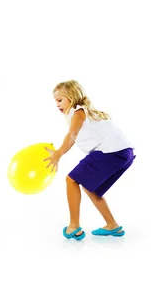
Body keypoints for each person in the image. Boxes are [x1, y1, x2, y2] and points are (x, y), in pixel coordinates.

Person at [45, 80, 135, 240]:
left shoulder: (77, 111)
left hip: (110, 152)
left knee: (71, 180)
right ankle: (112, 225)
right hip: (124, 153)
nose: (57, 105)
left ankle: (73, 226)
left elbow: (72, 135)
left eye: (60, 100)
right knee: (90, 187)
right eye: (55, 101)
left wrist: (59, 153)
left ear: (71, 97)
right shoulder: (85, 111)